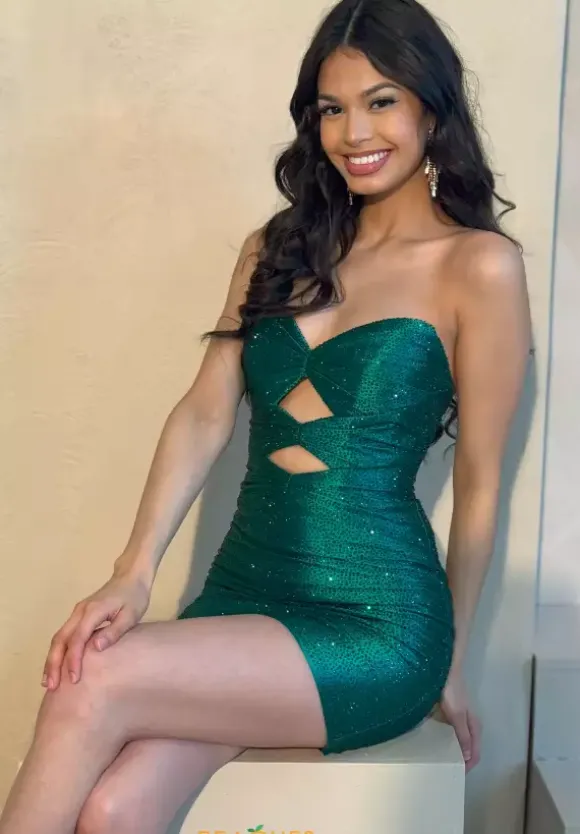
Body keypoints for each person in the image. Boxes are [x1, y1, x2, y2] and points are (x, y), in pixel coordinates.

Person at [0, 0, 532, 831]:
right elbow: (204, 413)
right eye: (332, 109)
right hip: (242, 594)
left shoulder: (479, 267)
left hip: (374, 624)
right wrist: (134, 572)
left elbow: (482, 484)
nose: (355, 132)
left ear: (431, 110)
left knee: (87, 679)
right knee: (114, 811)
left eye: (381, 101)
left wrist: (455, 662)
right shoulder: (279, 247)